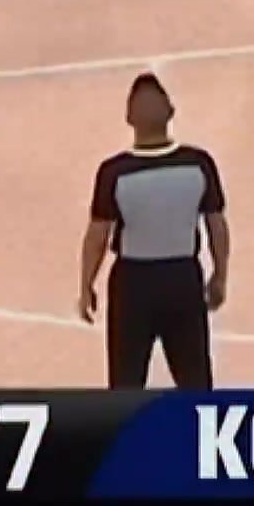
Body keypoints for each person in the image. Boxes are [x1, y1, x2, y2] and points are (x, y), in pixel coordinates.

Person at [79, 71, 228, 388]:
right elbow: (217, 226)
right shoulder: (198, 164)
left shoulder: (114, 172)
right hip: (183, 279)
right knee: (195, 383)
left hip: (133, 285)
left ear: (128, 118)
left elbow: (97, 237)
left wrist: (86, 284)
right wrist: (219, 275)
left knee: (126, 383)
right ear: (171, 111)